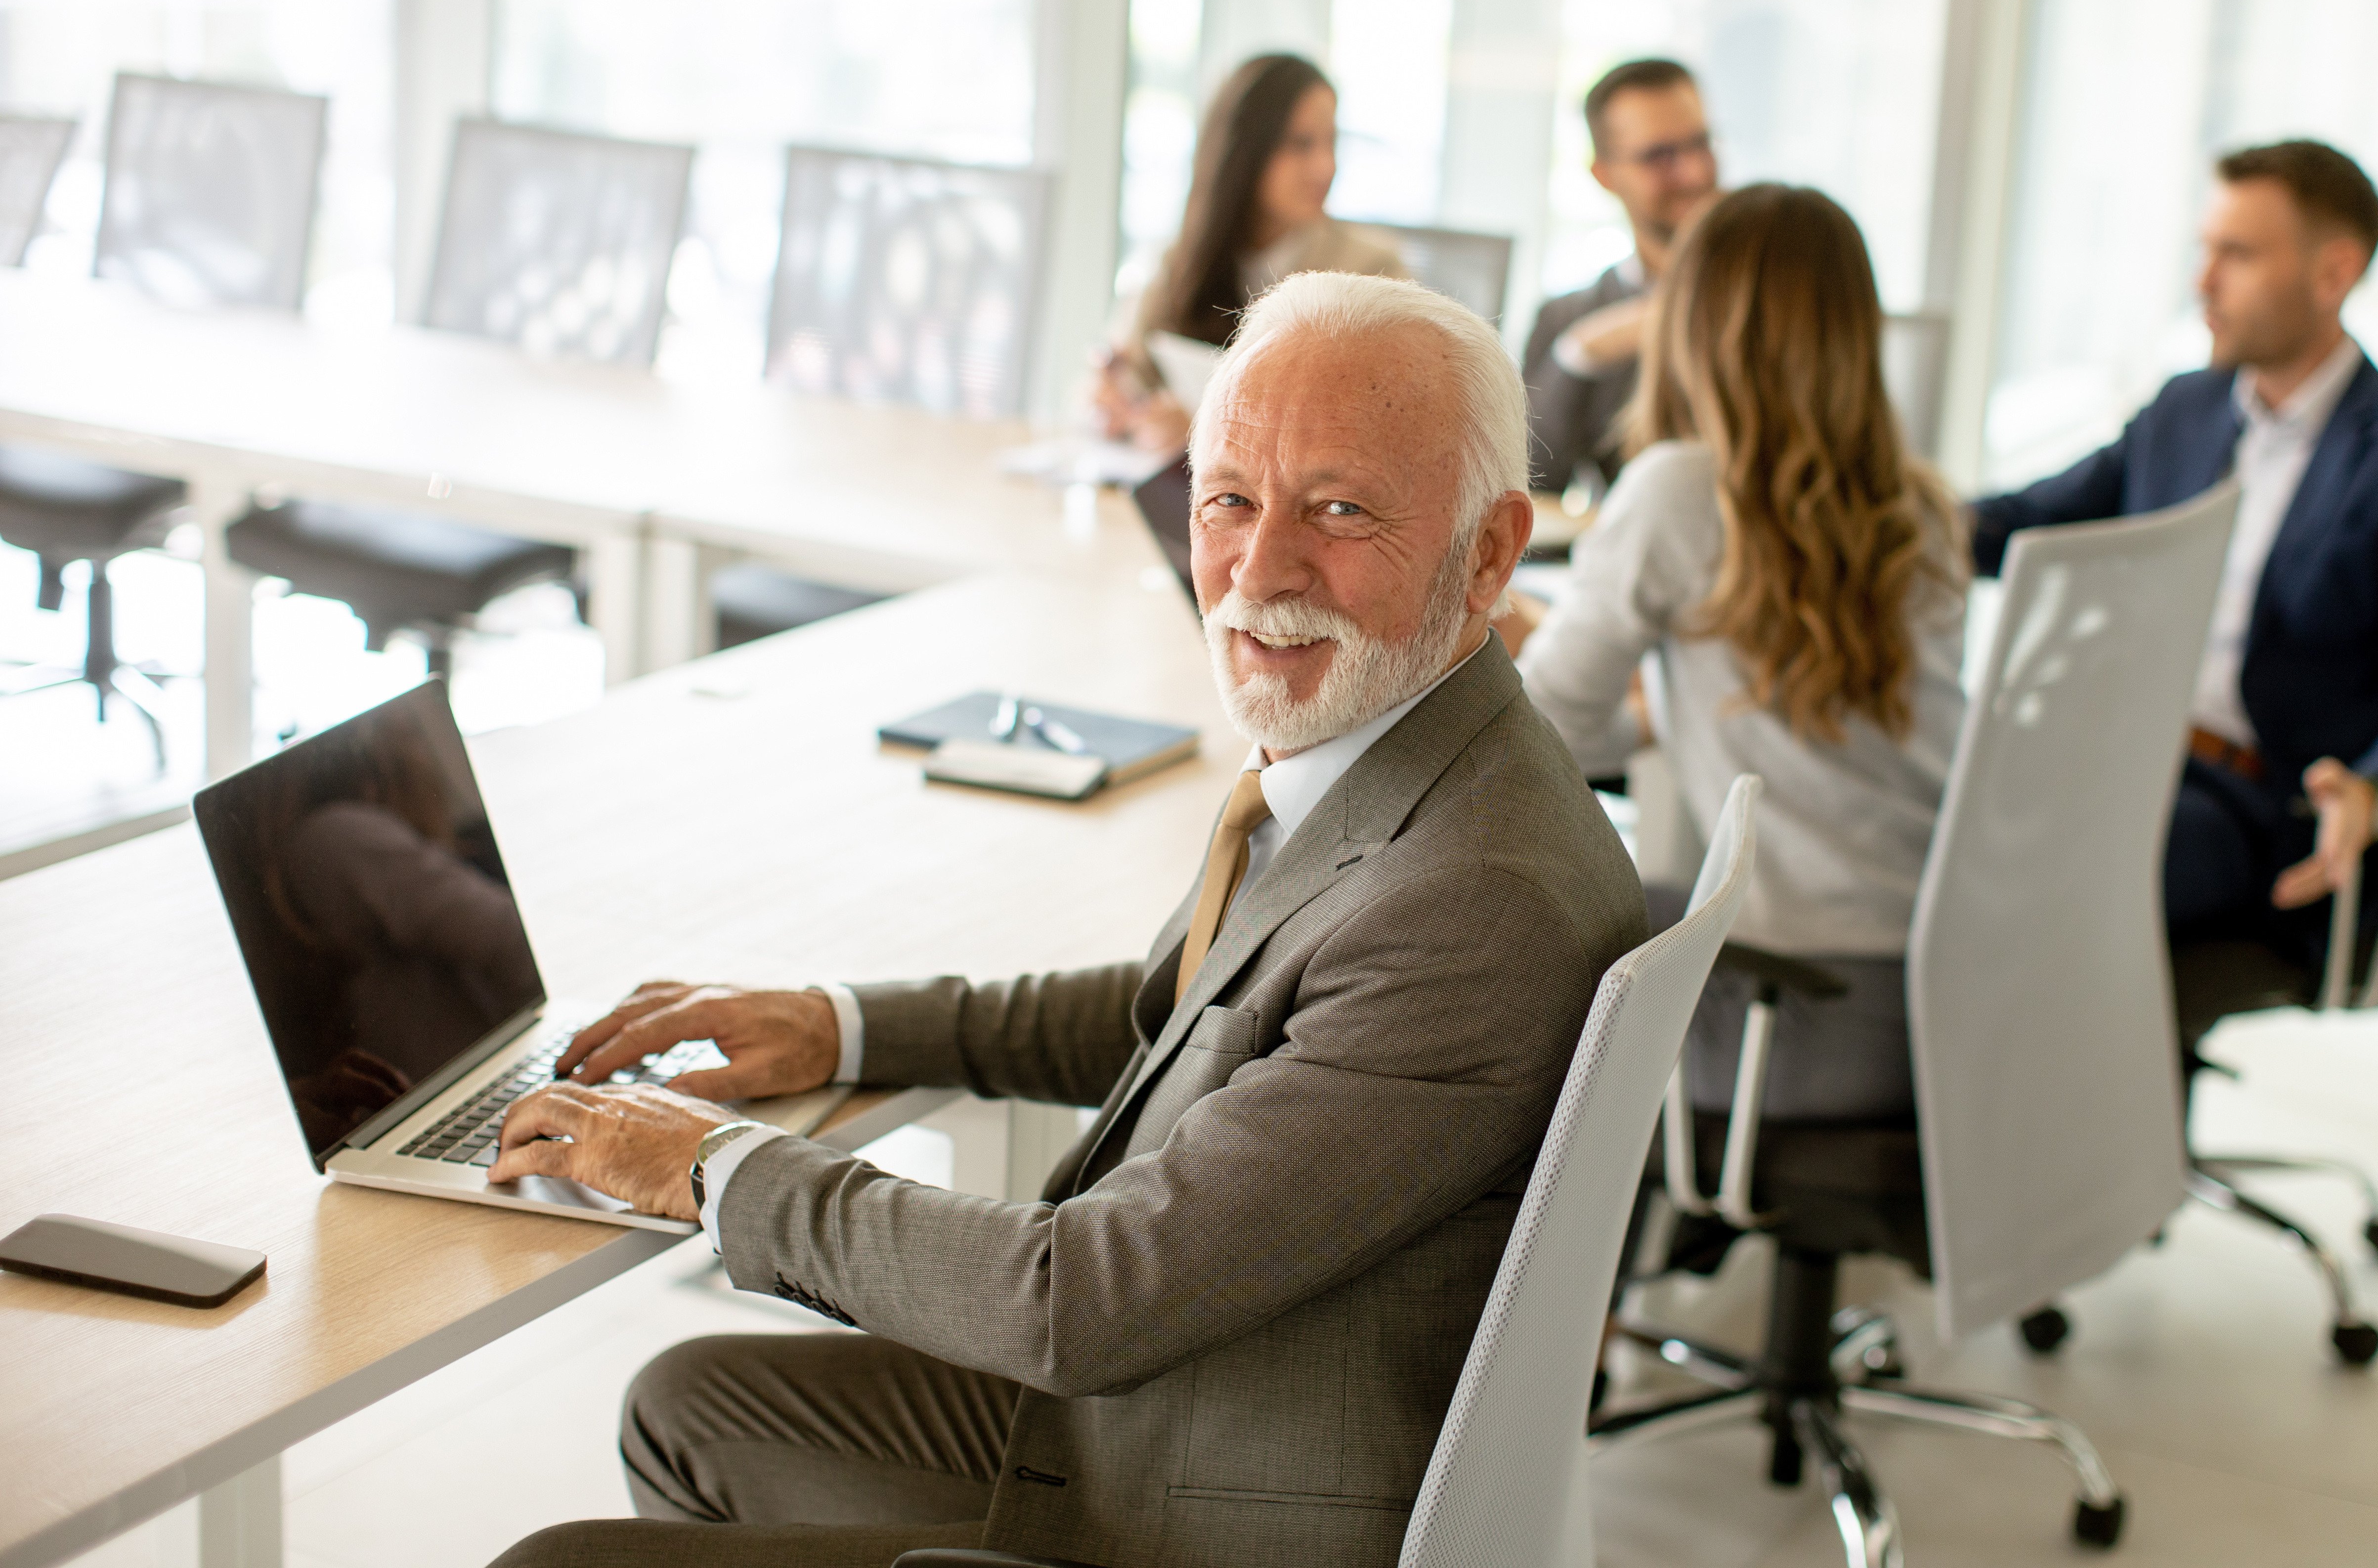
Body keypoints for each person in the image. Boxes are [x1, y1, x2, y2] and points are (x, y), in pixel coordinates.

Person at [483, 273, 1646, 1568]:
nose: (1260, 571)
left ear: (1489, 550)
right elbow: (1176, 1017)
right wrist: (844, 1027)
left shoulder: (1469, 901)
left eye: (1340, 510)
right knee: (694, 1408)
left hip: (1215, 1506)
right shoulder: (1417, 758)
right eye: (1230, 501)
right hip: (1207, 1412)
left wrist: (711, 1167)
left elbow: (1079, 1304)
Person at [1970, 140, 2378, 1035]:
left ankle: (2066, 1164)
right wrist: (1869, 524)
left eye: (2237, 254)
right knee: (1940, 825)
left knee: (2039, 878)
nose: (2202, 283)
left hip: (2269, 808)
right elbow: (2022, 524)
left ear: (2333, 272)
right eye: (2204, 250)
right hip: (2121, 765)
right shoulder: (2188, 408)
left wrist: (2374, 794)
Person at [1515, 184, 1966, 1123]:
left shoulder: (1678, 490)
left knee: (1490, 921)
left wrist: (1521, 649)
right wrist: (1654, 709)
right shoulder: (1919, 507)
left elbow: (1538, 738)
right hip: (1937, 997)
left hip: (1792, 1014)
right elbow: (1808, 711)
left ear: (1693, 324)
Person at [1092, 52, 1409, 455]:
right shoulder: (1184, 258)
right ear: (1246, 152)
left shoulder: (1373, 273)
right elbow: (1123, 374)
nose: (1325, 167)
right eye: (1301, 144)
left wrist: (1205, 435)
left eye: (1332, 143)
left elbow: (1374, 431)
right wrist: (1117, 405)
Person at [1521, 57, 1719, 497]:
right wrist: (1580, 354)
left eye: (1700, 143)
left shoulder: (1778, 296)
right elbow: (1529, 482)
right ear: (1604, 175)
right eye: (1659, 157)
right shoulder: (1569, 318)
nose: (1695, 172)